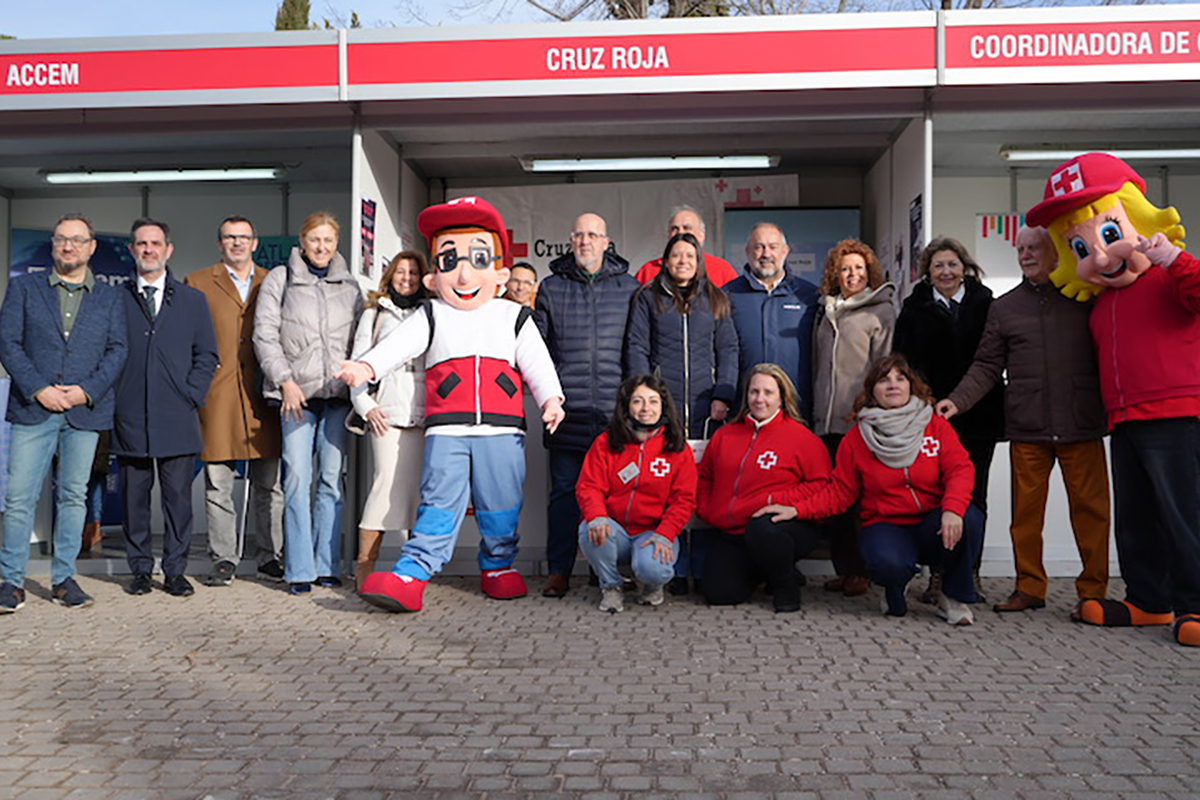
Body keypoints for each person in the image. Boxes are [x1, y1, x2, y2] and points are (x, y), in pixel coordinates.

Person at [340, 196, 565, 612]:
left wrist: (552, 398)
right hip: (446, 428)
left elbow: (537, 361)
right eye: (449, 261)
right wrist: (366, 367)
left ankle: (498, 566)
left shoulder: (513, 316)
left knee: (500, 503)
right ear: (432, 276)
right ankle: (412, 572)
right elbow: (395, 347)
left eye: (478, 259)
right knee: (439, 501)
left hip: (502, 428)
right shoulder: (431, 315)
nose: (463, 274)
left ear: (498, 270)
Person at [1027, 152, 1200, 647]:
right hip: (1124, 419)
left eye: (1108, 235)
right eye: (1082, 246)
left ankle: (1196, 602)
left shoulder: (1170, 278)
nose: (1100, 257)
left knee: (1185, 513)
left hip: (1178, 415)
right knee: (1138, 514)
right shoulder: (1102, 303)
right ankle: (1149, 600)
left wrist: (1175, 258)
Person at [938, 226, 1109, 616]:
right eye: (1021, 248)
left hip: (1081, 423)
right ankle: (1029, 586)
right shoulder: (1004, 307)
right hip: (1027, 426)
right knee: (1026, 516)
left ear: (1056, 253)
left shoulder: (1084, 297)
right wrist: (956, 402)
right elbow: (986, 365)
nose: (1026, 254)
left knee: (1092, 512)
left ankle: (1093, 591)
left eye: (1034, 248)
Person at [758, 354, 983, 625]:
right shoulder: (857, 437)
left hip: (932, 521)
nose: (893, 385)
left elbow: (960, 469)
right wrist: (796, 509)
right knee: (889, 575)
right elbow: (839, 493)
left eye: (900, 378)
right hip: (888, 524)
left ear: (911, 385)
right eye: (884, 379)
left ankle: (952, 595)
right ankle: (894, 586)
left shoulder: (934, 425)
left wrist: (952, 509)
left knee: (969, 518)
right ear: (872, 390)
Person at [0, 213, 128, 613]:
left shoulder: (111, 297)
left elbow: (118, 350)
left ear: (92, 247)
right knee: (20, 497)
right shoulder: (24, 288)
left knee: (73, 496)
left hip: (84, 411)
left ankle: (64, 579)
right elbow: (8, 342)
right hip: (32, 408)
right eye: (60, 240)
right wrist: (39, 389)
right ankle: (10, 582)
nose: (68, 246)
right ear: (53, 245)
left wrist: (84, 391)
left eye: (76, 240)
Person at [254, 212, 362, 596]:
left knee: (331, 482)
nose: (321, 247)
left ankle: (326, 564)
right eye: (315, 240)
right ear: (302, 242)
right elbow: (264, 335)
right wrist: (284, 380)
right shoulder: (280, 280)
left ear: (337, 244)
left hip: (336, 397)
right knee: (297, 478)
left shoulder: (351, 287)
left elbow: (360, 341)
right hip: (295, 398)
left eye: (328, 241)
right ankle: (298, 568)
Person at [626, 231, 738, 593]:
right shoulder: (647, 298)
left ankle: (703, 567)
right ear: (666, 260)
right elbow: (638, 347)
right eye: (676, 256)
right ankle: (674, 567)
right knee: (667, 488)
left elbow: (730, 350)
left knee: (703, 488)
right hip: (665, 408)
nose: (683, 262)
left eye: (690, 256)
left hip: (707, 411)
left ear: (699, 260)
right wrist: (645, 399)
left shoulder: (717, 300)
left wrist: (724, 394)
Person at [113, 217, 219, 599]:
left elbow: (207, 354)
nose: (148, 250)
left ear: (168, 250)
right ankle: (140, 570)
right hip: (130, 416)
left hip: (177, 415)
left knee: (177, 501)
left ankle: (175, 570)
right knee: (134, 501)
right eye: (141, 243)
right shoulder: (116, 299)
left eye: (155, 243)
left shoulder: (192, 300)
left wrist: (191, 393)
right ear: (132, 250)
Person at [535, 212, 639, 598]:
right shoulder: (551, 287)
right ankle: (559, 570)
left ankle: (603, 570)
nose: (585, 242)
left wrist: (632, 407)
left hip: (615, 415)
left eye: (593, 235)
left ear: (606, 242)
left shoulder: (628, 288)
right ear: (571, 240)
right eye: (579, 235)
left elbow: (635, 349)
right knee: (564, 493)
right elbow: (539, 351)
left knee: (613, 496)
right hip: (568, 412)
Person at [895, 236, 1003, 602]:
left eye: (952, 264)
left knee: (976, 497)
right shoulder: (913, 309)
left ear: (964, 267)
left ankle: (970, 574)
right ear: (927, 271)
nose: (946, 271)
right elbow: (904, 364)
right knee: (938, 496)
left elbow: (994, 359)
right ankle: (938, 576)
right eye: (938, 265)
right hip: (931, 419)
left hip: (980, 417)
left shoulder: (986, 304)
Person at [185, 215, 284, 587]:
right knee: (217, 483)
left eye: (243, 237)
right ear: (219, 243)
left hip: (263, 393)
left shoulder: (274, 280)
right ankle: (224, 558)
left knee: (270, 485)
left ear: (255, 243)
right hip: (218, 393)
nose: (237, 243)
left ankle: (270, 557)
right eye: (230, 237)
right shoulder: (197, 283)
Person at [696, 363, 831, 612]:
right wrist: (708, 509)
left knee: (764, 529)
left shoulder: (802, 438)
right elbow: (705, 478)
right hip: (733, 531)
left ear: (782, 397)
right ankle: (769, 569)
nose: (760, 399)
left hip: (783, 527)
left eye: (768, 392)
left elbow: (821, 485)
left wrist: (775, 500)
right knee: (719, 593)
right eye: (754, 392)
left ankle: (785, 585)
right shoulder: (725, 436)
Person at [812, 239, 895, 598]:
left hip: (858, 421)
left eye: (859, 268)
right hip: (825, 422)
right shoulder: (827, 309)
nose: (853, 275)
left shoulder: (881, 311)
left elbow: (886, 367)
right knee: (834, 501)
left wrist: (869, 410)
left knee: (860, 500)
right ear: (835, 273)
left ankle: (862, 572)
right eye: (846, 268)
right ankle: (844, 569)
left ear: (869, 272)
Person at [576, 374, 697, 613]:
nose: (645, 409)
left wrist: (666, 533)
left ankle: (652, 586)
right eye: (637, 401)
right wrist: (597, 515)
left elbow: (684, 499)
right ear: (627, 406)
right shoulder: (606, 442)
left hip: (653, 532)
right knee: (589, 529)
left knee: (654, 568)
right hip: (616, 531)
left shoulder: (676, 447)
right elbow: (589, 486)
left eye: (653, 401)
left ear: (663, 405)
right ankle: (611, 586)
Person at [348, 250, 428, 589]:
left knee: (420, 495)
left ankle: (413, 569)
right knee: (384, 488)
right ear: (389, 275)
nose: (406, 278)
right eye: (400, 272)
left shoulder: (432, 311)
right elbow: (359, 363)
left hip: (425, 414)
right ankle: (366, 565)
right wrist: (365, 405)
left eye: (412, 272)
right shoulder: (375, 314)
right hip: (387, 415)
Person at [724, 222, 820, 420]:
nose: (766, 254)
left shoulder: (809, 296)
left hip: (797, 410)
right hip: (745, 410)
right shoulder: (728, 295)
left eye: (773, 247)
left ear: (785, 251)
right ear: (747, 251)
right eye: (758, 247)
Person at [635, 206, 739, 287]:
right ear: (668, 235)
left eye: (687, 228)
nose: (680, 233)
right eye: (674, 229)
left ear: (701, 235)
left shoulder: (722, 270)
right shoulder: (648, 270)